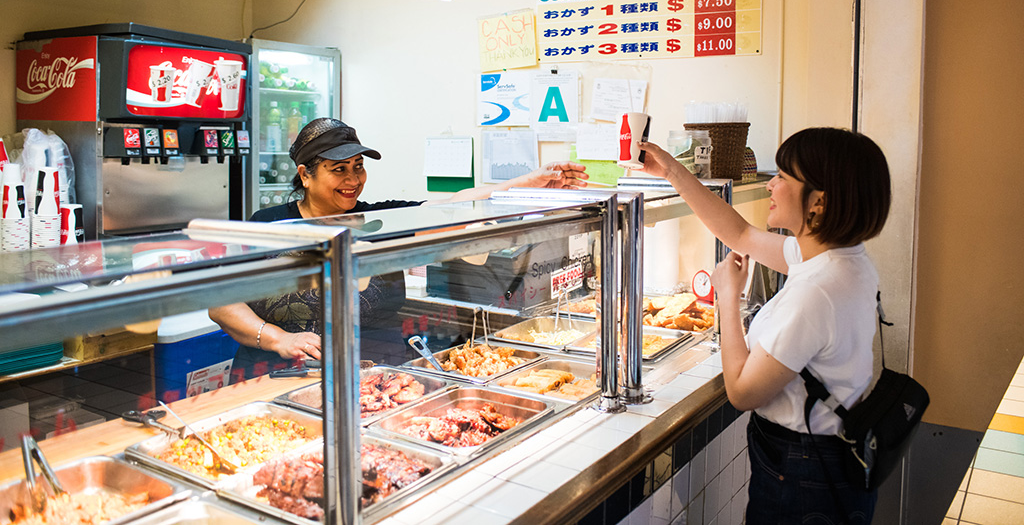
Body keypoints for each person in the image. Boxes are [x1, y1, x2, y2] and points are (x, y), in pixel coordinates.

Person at [640, 127, 890, 524]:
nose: (771, 185)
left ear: (818, 202)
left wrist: (727, 299)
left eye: (783, 177)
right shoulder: (840, 258)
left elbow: (742, 392)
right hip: (829, 456)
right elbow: (738, 232)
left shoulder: (818, 290)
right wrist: (672, 170)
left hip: (805, 471)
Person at [210, 117, 588, 376]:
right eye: (338, 169)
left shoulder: (381, 221)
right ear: (305, 175)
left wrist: (530, 181)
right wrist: (279, 338)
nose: (353, 180)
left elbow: (454, 204)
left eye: (358, 167)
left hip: (378, 376)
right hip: (275, 377)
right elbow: (221, 301)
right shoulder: (270, 226)